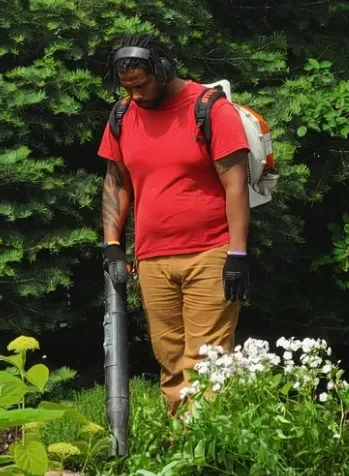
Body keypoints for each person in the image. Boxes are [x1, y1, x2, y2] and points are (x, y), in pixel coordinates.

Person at [98, 34, 251, 416]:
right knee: (170, 361)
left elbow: (236, 184)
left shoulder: (210, 110)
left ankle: (208, 449)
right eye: (127, 88)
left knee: (206, 362)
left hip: (211, 252)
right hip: (153, 259)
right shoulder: (121, 116)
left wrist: (237, 253)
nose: (134, 95)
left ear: (163, 71)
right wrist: (112, 244)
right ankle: (185, 448)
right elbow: (116, 182)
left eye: (141, 85)